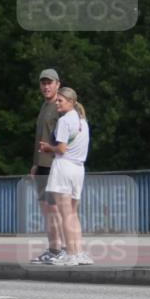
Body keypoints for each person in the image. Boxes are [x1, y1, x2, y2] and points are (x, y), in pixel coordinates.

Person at [37, 87, 92, 266]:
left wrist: (47, 148)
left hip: (64, 166)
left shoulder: (64, 121)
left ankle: (70, 254)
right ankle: (79, 252)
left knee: (65, 214)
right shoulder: (82, 121)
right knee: (73, 214)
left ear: (71, 102)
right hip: (78, 169)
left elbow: (60, 149)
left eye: (60, 100)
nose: (57, 103)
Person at [29, 68, 65, 265]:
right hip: (42, 165)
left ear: (58, 84)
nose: (46, 86)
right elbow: (40, 139)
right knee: (46, 209)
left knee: (55, 210)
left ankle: (60, 249)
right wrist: (35, 163)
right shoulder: (45, 106)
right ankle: (53, 248)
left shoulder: (61, 107)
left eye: (49, 82)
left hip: (55, 165)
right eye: (43, 83)